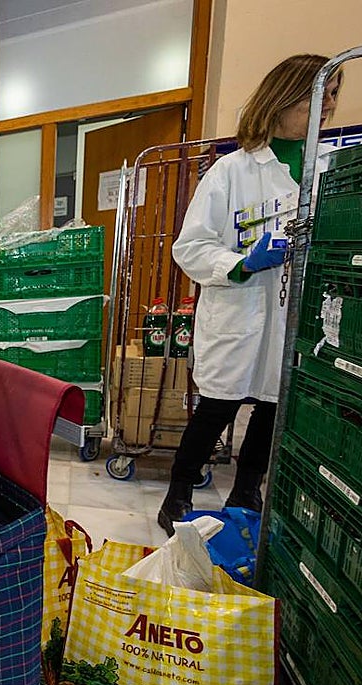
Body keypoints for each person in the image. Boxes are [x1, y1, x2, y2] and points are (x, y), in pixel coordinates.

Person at [158, 54, 342, 535]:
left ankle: (246, 490)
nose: (327, 106)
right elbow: (191, 246)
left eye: (334, 93)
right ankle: (178, 493)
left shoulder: (330, 168)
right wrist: (241, 263)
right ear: (280, 99)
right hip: (240, 308)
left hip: (295, 313)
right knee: (217, 406)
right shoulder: (231, 172)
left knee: (272, 404)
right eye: (315, 94)